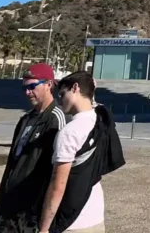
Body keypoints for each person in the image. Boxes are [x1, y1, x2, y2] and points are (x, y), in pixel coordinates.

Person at [39, 72, 123, 233]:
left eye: (62, 94)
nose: (60, 99)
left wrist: (44, 228)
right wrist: (91, 88)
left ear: (75, 88)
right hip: (96, 216)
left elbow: (58, 186)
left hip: (72, 222)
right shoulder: (102, 118)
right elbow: (95, 104)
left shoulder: (69, 133)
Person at [0, 63, 67, 233]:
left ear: (49, 84)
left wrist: (44, 220)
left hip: (31, 215)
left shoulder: (56, 119)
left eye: (33, 86)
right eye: (25, 88)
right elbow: (13, 164)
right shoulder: (25, 120)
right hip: (8, 210)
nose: (27, 92)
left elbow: (58, 173)